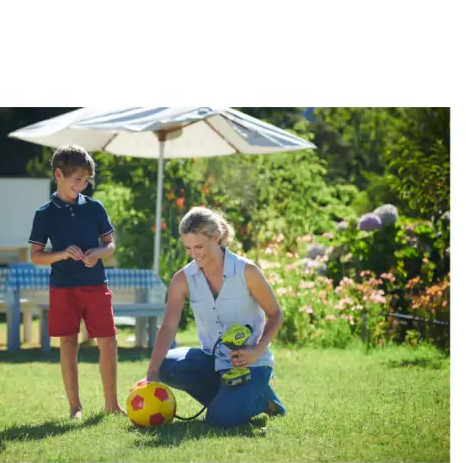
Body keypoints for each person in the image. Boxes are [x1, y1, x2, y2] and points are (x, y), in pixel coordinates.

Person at [145, 206, 286, 427]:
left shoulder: (246, 271)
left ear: (216, 237)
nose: (194, 254)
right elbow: (169, 326)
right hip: (212, 361)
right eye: (188, 248)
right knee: (168, 365)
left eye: (199, 246)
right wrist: (152, 372)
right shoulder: (182, 280)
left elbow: (276, 314)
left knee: (220, 420)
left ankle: (261, 399)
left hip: (249, 364)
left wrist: (257, 350)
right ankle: (233, 401)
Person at [29, 145, 124, 419]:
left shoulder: (94, 208)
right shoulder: (44, 214)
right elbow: (36, 256)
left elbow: (110, 246)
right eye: (77, 180)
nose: (81, 186)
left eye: (85, 181)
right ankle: (75, 407)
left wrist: (98, 253)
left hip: (96, 284)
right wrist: (61, 254)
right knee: (69, 344)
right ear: (58, 174)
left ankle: (111, 405)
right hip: (63, 288)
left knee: (108, 341)